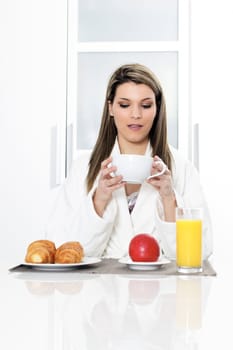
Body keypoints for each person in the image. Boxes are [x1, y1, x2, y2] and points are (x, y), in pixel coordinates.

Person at [46, 63, 213, 259]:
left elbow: (201, 251)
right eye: (125, 105)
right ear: (111, 108)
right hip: (98, 287)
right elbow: (62, 248)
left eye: (146, 105)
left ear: (157, 109)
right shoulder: (84, 167)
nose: (136, 114)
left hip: (161, 287)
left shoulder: (181, 167)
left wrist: (169, 199)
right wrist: (99, 199)